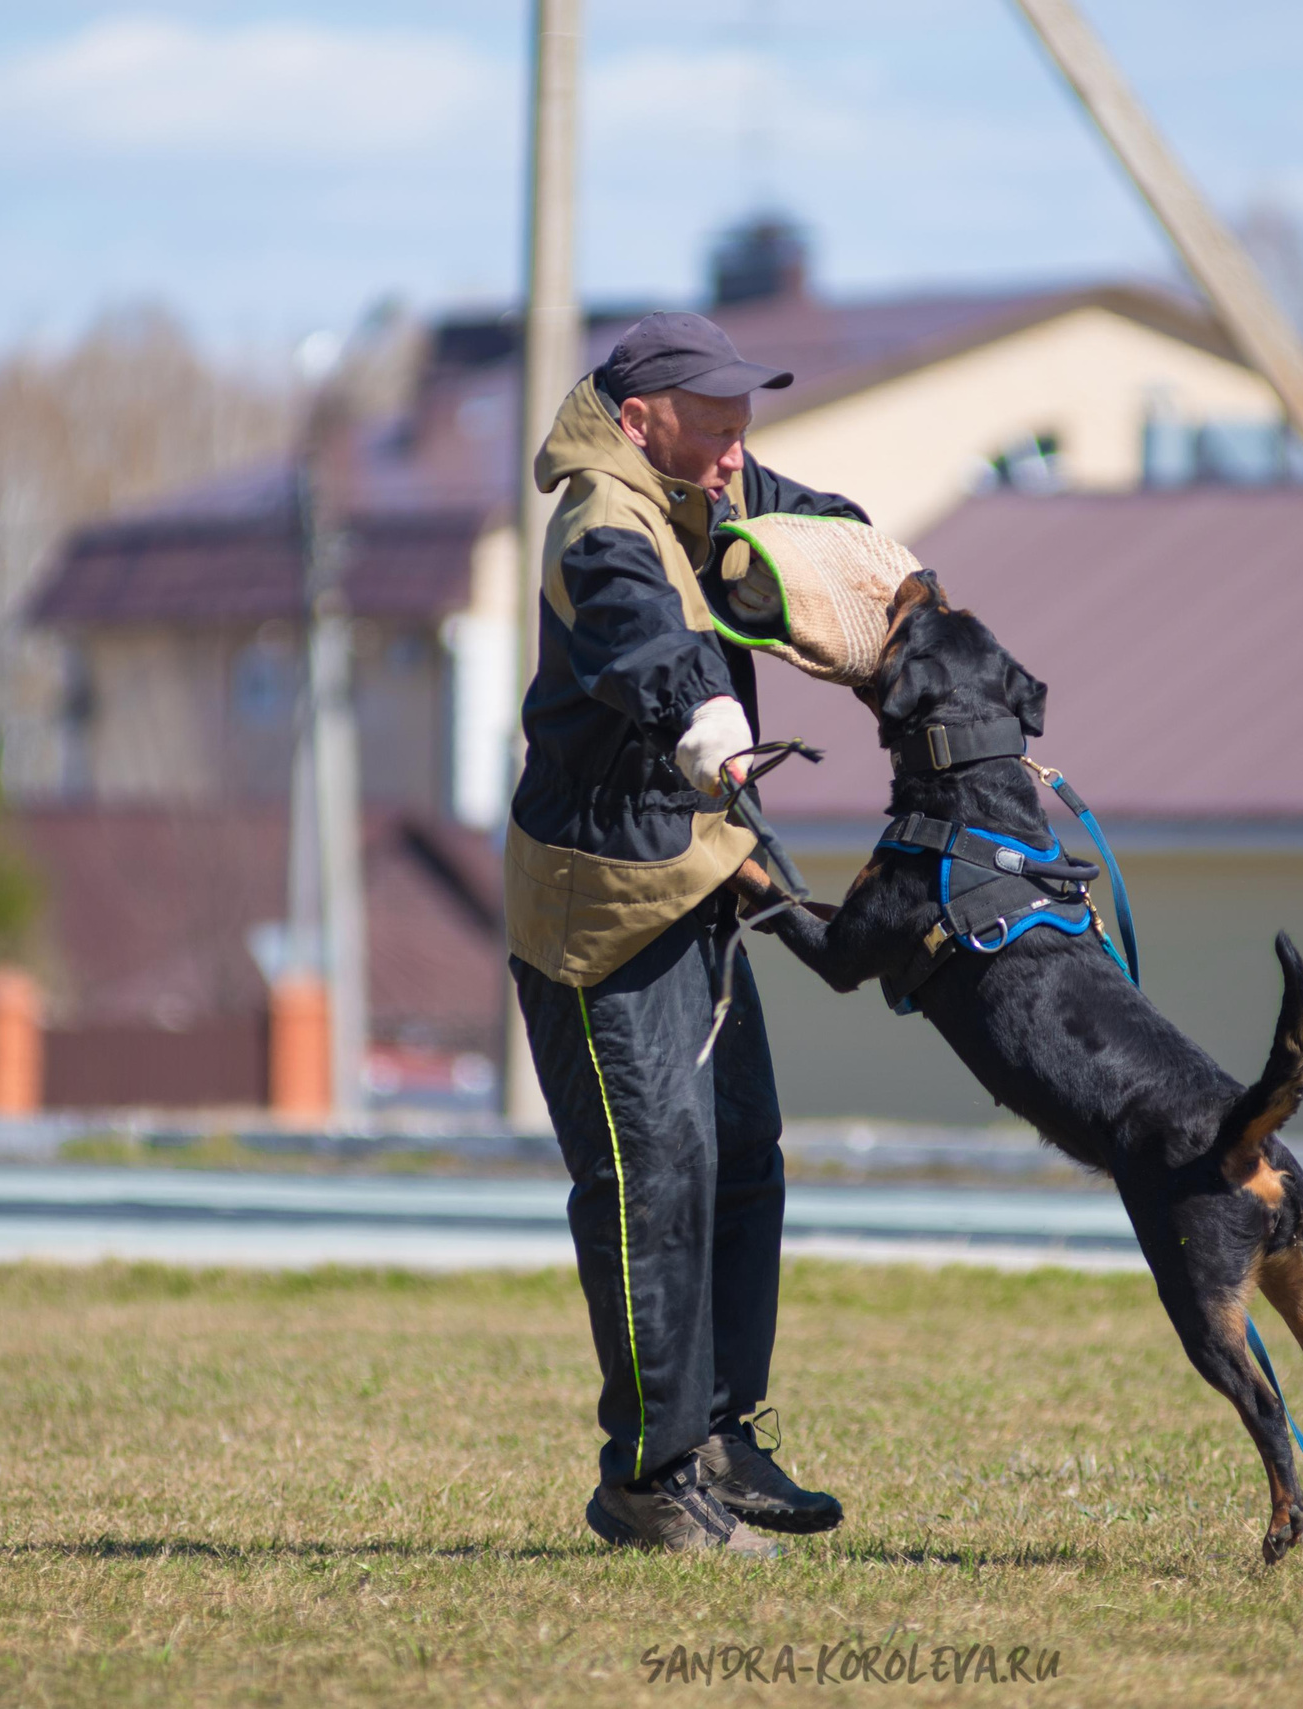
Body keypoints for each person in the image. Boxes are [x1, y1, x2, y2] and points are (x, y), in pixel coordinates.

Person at [505, 311, 862, 1556]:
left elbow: (807, 518)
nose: (734, 455)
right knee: (651, 1178)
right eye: (714, 428)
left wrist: (898, 591)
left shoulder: (697, 472)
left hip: (694, 874)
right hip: (600, 911)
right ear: (642, 416)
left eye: (742, 429)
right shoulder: (602, 522)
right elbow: (644, 641)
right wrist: (711, 717)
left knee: (742, 1156)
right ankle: (650, 1478)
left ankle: (718, 1435)